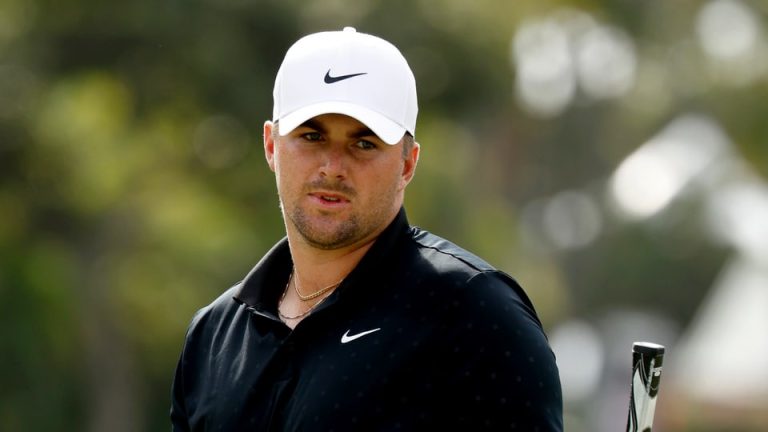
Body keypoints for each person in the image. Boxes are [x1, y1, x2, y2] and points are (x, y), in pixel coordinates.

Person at [171, 27, 563, 431]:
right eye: (311, 136)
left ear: (408, 163)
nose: (332, 167)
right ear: (271, 146)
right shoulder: (212, 336)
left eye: (364, 144)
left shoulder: (475, 314)